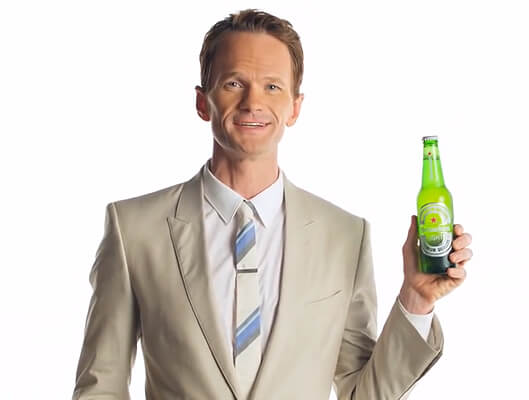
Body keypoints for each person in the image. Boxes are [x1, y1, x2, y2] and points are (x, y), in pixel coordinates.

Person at [72, 9, 473, 400]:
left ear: (295, 107)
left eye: (272, 87)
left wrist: (417, 299)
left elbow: (360, 394)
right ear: (202, 102)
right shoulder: (134, 229)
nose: (253, 102)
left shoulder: (345, 236)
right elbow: (100, 387)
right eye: (234, 83)